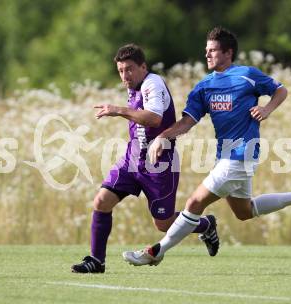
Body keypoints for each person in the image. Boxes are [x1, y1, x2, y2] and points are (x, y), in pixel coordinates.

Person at [122, 27, 291, 266]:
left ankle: (156, 252)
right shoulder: (203, 87)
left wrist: (266, 109)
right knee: (245, 211)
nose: (208, 55)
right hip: (225, 156)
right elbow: (187, 122)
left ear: (228, 53)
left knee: (194, 203)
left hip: (241, 154)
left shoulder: (247, 75)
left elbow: (280, 90)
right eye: (206, 51)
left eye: (213, 51)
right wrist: (164, 137)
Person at [71, 44, 218, 273]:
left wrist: (118, 110)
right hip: (133, 158)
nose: (124, 76)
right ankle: (96, 261)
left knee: (164, 224)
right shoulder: (135, 85)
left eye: (129, 69)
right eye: (120, 71)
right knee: (101, 201)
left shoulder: (152, 83)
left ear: (143, 67)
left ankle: (206, 224)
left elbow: (154, 119)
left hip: (160, 163)